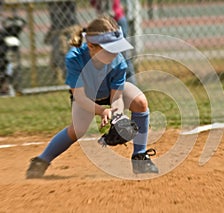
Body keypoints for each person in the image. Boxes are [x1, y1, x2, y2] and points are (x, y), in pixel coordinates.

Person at [26, 15, 158, 179]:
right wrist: (101, 111)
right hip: (86, 96)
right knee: (78, 130)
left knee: (140, 102)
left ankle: (140, 158)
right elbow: (79, 96)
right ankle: (41, 160)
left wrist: (118, 116)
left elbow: (116, 97)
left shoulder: (118, 61)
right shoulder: (74, 58)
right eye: (111, 49)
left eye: (118, 48)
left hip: (109, 92)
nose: (116, 53)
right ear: (91, 46)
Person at [90, 0, 137, 85]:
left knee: (123, 55)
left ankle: (131, 83)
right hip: (105, 23)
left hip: (117, 20)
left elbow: (112, 8)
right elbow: (93, 4)